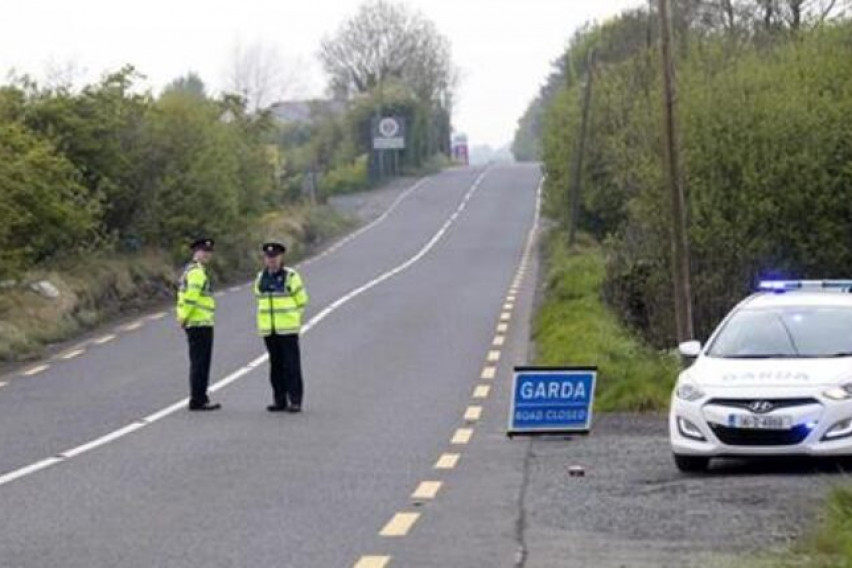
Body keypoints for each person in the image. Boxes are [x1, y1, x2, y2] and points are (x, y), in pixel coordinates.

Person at [254, 242, 309, 413]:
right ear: (264, 259)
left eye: (275, 257)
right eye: (269, 257)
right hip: (269, 330)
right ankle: (279, 400)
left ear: (281, 257)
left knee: (291, 365)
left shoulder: (291, 276)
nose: (272, 260)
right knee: (275, 366)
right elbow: (259, 300)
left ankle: (295, 400)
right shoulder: (260, 278)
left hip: (287, 329)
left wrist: (293, 319)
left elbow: (302, 300)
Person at [176, 238, 221, 411]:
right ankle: (198, 399)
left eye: (209, 252)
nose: (207, 255)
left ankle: (199, 397)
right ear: (196, 252)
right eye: (203, 251)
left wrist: (183, 317)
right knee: (201, 363)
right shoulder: (196, 272)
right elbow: (191, 297)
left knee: (199, 362)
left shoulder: (191, 270)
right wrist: (184, 317)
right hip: (199, 322)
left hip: (197, 321)